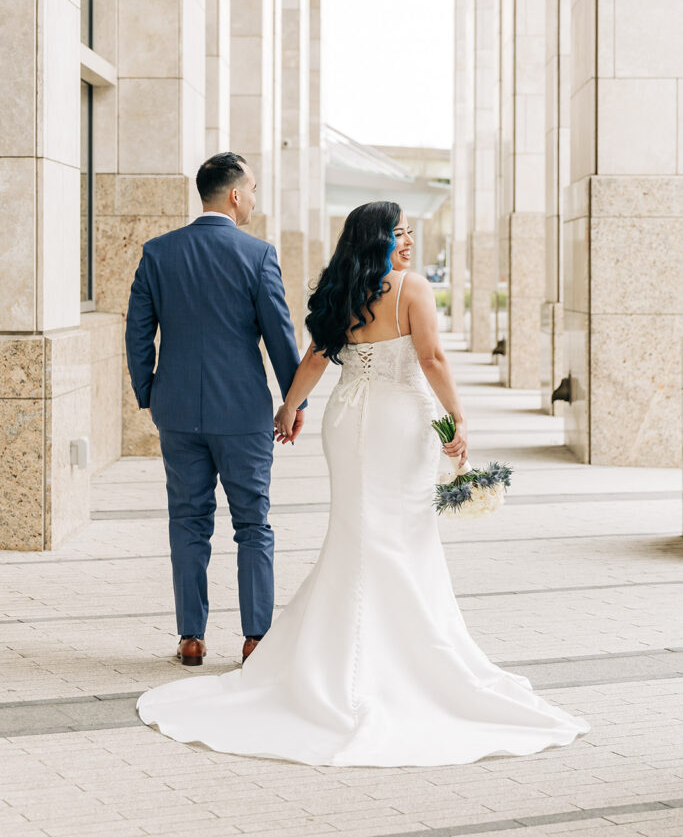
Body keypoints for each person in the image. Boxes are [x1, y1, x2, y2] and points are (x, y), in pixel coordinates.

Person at [136, 201, 590, 766]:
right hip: (399, 421)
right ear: (375, 240)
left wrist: (290, 407)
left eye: (409, 234)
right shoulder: (411, 289)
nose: (408, 243)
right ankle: (404, 656)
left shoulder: (340, 288)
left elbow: (318, 357)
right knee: (401, 533)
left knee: (355, 533)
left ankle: (329, 655)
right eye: (398, 235)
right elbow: (432, 360)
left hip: (348, 418)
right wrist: (458, 422)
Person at [125, 153, 306, 668]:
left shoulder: (158, 253)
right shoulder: (257, 255)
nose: (253, 197)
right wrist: (294, 402)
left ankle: (191, 638)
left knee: (187, 521)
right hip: (243, 414)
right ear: (233, 195)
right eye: (252, 188)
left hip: (177, 411)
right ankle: (254, 640)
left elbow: (138, 333)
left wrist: (150, 394)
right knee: (253, 524)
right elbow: (280, 338)